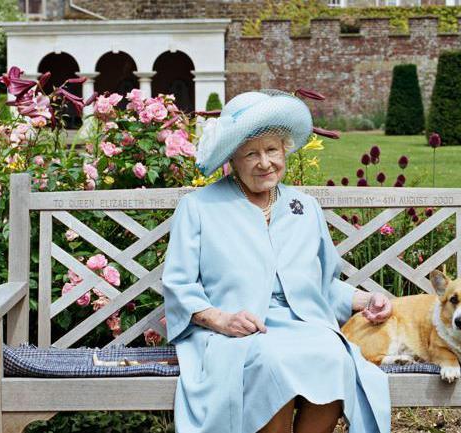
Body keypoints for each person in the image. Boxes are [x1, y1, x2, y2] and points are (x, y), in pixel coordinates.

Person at [161, 89, 393, 433]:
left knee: (333, 356)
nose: (265, 162)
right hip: (236, 332)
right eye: (251, 153)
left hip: (303, 324)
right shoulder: (198, 207)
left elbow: (322, 285)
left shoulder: (305, 208)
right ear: (232, 159)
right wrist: (221, 319)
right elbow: (179, 286)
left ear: (285, 150)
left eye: (272, 150)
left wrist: (366, 300)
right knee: (272, 361)